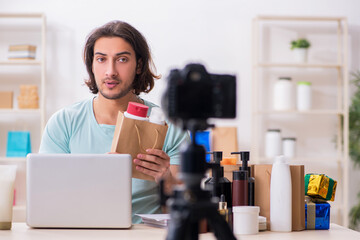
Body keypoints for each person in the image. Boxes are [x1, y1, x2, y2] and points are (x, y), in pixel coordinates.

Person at [39, 20, 189, 223]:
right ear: (91, 65)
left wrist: (167, 182)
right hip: (82, 231)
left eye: (122, 59)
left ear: (139, 65)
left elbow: (188, 208)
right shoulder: (63, 122)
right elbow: (48, 197)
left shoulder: (168, 126)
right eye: (101, 59)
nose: (110, 71)